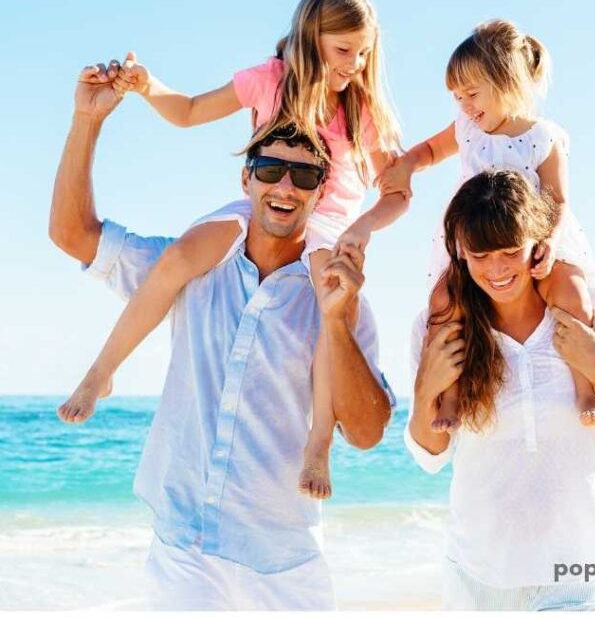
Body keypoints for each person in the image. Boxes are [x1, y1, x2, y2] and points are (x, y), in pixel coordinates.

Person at [49, 61, 395, 610]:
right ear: (245, 178)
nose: (285, 186)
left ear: (320, 191)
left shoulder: (337, 292)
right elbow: (72, 235)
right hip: (182, 546)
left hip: (281, 563)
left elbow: (369, 430)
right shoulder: (192, 263)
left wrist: (333, 319)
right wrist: (86, 121)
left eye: (304, 176)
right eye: (270, 170)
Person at [62, 0, 404, 500]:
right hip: (262, 207)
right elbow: (191, 111)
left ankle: (318, 446)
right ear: (311, 39)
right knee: (179, 256)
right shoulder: (270, 81)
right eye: (344, 50)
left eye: (364, 52)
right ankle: (100, 373)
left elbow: (398, 192)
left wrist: (363, 227)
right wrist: (149, 85)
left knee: (328, 316)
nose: (355, 63)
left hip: (328, 222)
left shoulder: (361, 109)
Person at [405, 170, 595, 611]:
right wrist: (427, 388)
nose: (498, 269)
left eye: (510, 250)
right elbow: (430, 457)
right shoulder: (443, 326)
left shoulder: (590, 309)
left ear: (537, 243)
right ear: (461, 251)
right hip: (478, 580)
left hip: (581, 575)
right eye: (481, 254)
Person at [379, 19, 595, 433]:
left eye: (471, 93)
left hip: (532, 243)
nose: (464, 105)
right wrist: (408, 165)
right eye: (456, 96)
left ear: (506, 81)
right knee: (446, 303)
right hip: (475, 243)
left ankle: (587, 388)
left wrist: (551, 244)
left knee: (573, 293)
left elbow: (557, 198)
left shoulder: (542, 137)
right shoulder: (467, 129)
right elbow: (431, 149)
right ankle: (449, 395)